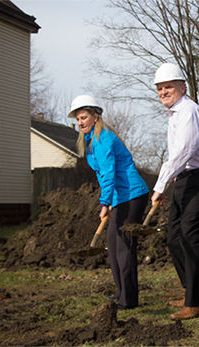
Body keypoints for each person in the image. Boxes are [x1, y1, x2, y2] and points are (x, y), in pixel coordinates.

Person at [151, 63, 199, 320]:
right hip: (185, 180)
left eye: (168, 86)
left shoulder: (189, 111)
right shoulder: (175, 114)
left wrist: (159, 185)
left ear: (182, 87)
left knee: (189, 235)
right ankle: (194, 291)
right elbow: (177, 156)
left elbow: (184, 151)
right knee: (173, 237)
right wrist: (169, 180)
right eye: (159, 88)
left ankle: (195, 303)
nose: (163, 92)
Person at [68, 95, 149, 310]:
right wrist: (111, 201)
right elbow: (104, 175)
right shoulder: (90, 140)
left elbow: (108, 174)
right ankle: (120, 291)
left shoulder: (103, 139)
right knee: (113, 246)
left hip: (132, 196)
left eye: (84, 117)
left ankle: (129, 300)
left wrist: (104, 203)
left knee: (124, 247)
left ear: (95, 116)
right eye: (78, 119)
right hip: (119, 198)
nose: (80, 122)